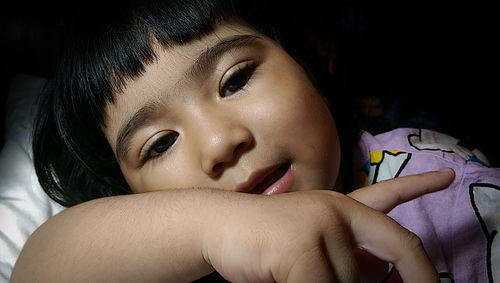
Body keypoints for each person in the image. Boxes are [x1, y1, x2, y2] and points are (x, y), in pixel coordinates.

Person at [10, 0, 498, 282]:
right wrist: (211, 228)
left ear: (302, 63)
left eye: (236, 79)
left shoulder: (443, 193)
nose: (221, 142)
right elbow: (36, 269)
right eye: (159, 144)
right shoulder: (167, 262)